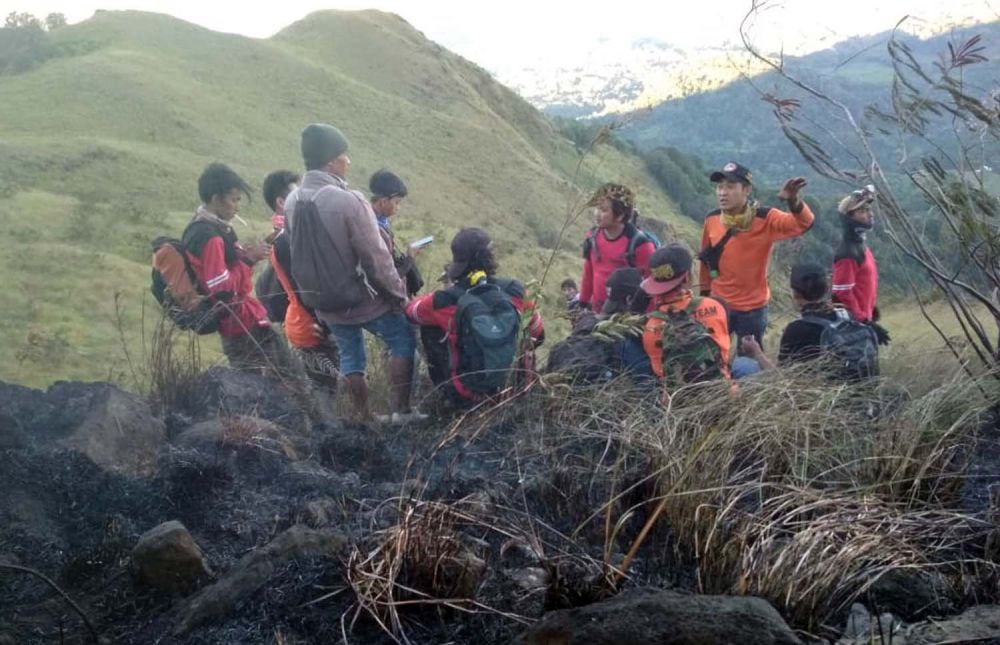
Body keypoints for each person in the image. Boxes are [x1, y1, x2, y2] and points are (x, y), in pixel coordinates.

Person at [283, 123, 423, 425]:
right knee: (402, 338)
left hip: (323, 300)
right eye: (345, 156)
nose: (349, 162)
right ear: (333, 160)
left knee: (350, 356)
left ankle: (362, 416)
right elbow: (376, 259)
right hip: (359, 298)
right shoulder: (349, 200)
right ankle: (402, 411)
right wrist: (398, 295)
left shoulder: (292, 201)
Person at [183, 163, 321, 420]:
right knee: (287, 380)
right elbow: (221, 289)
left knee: (264, 385)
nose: (237, 206)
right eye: (234, 199)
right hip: (242, 324)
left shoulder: (199, 228)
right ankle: (310, 428)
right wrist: (248, 260)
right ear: (216, 198)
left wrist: (248, 254)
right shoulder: (211, 236)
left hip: (240, 323)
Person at [406, 228, 545, 405]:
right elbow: (538, 334)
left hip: (466, 396)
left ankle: (447, 396)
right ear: (489, 257)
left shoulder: (444, 300)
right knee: (527, 332)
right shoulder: (515, 290)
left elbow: (411, 312)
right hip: (516, 390)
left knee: (429, 327)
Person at [698, 162, 813, 347]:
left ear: (747, 190)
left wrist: (793, 201)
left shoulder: (765, 218)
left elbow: (804, 223)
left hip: (752, 309)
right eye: (719, 187)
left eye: (730, 187)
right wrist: (704, 297)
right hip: (718, 303)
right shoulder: (712, 219)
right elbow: (705, 259)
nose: (722, 193)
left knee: (749, 364)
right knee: (715, 359)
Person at [261, 169, 341, 404]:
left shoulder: (289, 236)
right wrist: (325, 324)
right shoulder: (286, 241)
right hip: (311, 326)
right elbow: (302, 289)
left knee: (322, 389)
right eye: (297, 195)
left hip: (304, 322)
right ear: (281, 202)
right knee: (324, 391)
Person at [740, 263, 878, 380]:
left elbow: (781, 379)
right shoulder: (847, 316)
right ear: (826, 288)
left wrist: (756, 352)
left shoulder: (798, 329)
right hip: (862, 402)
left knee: (742, 365)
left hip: (822, 403)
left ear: (795, 294)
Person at [641, 244, 731, 389]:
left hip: (679, 402)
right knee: (745, 364)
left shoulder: (650, 326)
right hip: (721, 391)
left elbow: (660, 373)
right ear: (688, 276)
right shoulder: (715, 307)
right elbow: (724, 355)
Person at [579, 183, 657, 314]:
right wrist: (583, 303)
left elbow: (651, 286)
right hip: (596, 313)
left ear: (620, 216)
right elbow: (589, 272)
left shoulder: (640, 245)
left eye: (603, 210)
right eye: (597, 208)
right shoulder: (593, 237)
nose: (597, 214)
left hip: (625, 318)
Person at [832, 185, 890, 345]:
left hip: (863, 321)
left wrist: (870, 310)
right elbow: (842, 294)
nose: (870, 214)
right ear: (849, 217)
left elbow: (863, 285)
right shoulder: (847, 253)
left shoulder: (861, 247)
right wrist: (865, 322)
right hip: (854, 330)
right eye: (862, 211)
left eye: (868, 209)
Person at [370, 170, 424, 296]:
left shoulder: (378, 221)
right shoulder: (375, 231)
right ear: (383, 202)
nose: (398, 208)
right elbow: (388, 278)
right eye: (397, 202)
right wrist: (410, 257)